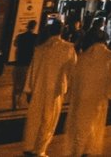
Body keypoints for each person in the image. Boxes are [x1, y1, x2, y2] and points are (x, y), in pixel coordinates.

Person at [20, 21, 77, 157]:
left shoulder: (40, 49)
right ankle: (40, 149)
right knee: (49, 120)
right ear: (62, 31)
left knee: (34, 117)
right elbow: (73, 69)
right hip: (56, 90)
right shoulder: (68, 48)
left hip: (38, 87)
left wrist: (28, 89)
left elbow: (32, 70)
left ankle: (29, 146)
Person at [65, 26, 111, 156]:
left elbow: (75, 76)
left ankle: (79, 150)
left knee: (81, 123)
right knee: (94, 123)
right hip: (99, 96)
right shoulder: (109, 56)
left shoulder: (83, 56)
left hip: (82, 94)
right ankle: (87, 149)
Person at [10, 21, 38, 110]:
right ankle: (30, 104)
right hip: (28, 65)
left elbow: (15, 44)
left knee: (17, 86)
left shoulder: (20, 36)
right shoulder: (35, 37)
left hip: (18, 64)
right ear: (34, 27)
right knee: (29, 86)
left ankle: (15, 104)